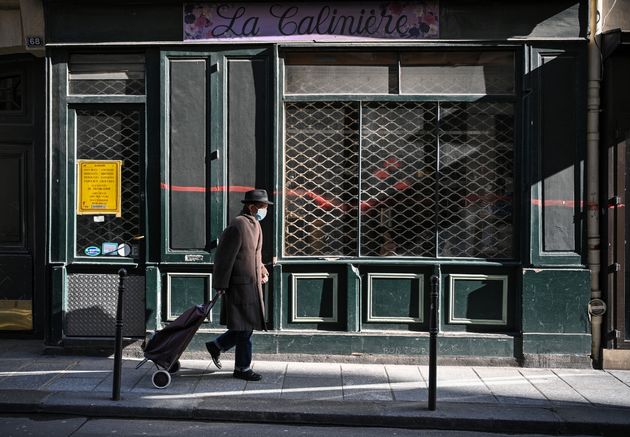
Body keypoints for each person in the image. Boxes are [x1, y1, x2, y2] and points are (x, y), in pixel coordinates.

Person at [205, 189, 272, 381]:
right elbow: (224, 258)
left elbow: (255, 255)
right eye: (262, 207)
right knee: (245, 328)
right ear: (252, 207)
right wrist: (220, 284)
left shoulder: (255, 225)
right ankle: (242, 368)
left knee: (246, 326)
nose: (264, 210)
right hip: (239, 286)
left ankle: (217, 346)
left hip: (251, 285)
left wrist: (262, 271)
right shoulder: (238, 225)